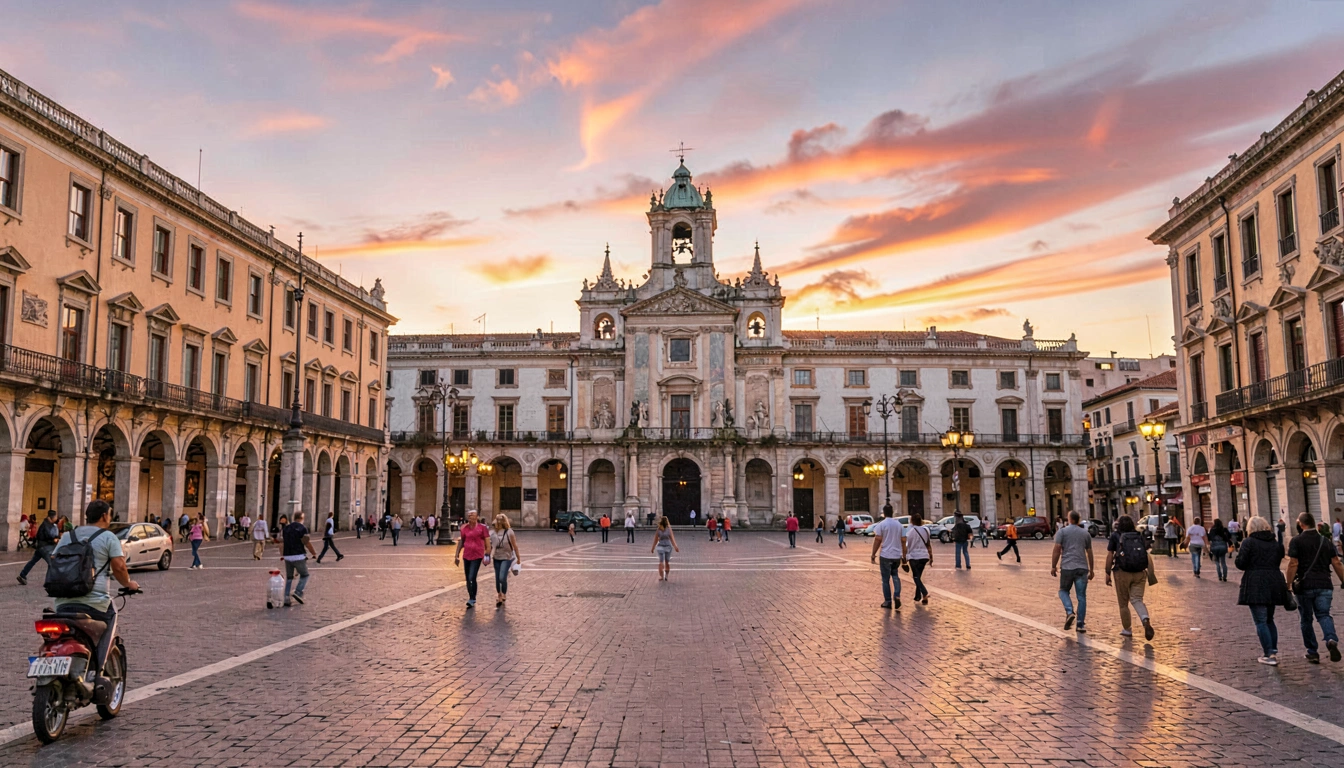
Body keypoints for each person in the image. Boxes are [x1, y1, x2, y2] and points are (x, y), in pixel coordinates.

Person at [51, 501, 140, 673]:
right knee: (110, 617)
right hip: (95, 603)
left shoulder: (68, 536)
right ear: (105, 516)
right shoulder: (109, 537)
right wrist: (129, 584)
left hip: (62, 602)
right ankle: (99, 667)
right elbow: (120, 567)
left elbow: (54, 560)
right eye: (110, 514)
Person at [1285, 512, 1344, 664]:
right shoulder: (1325, 541)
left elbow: (1293, 564)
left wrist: (1288, 584)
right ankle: (1331, 639)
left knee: (1306, 619)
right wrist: (1343, 579)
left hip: (1305, 586)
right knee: (1324, 615)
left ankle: (1312, 652)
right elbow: (1336, 562)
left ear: (1301, 524)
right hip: (1324, 584)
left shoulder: (1297, 541)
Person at [1237, 516, 1288, 665]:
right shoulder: (1274, 543)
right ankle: (1273, 649)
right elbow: (1279, 559)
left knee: (1260, 621)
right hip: (1273, 581)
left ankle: (1269, 653)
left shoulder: (1249, 542)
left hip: (1255, 583)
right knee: (1269, 619)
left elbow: (1241, 563)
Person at [1105, 514, 1155, 641]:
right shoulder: (1139, 535)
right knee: (1137, 599)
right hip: (1139, 572)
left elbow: (1110, 555)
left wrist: (1107, 572)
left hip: (1122, 572)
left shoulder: (1116, 536)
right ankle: (1145, 619)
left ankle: (1127, 629)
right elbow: (1146, 553)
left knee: (1123, 603)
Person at [1052, 511, 1095, 633]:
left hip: (1067, 567)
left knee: (1063, 591)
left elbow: (1057, 549)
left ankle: (1069, 611)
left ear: (1069, 519)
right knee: (1081, 597)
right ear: (1078, 520)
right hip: (1082, 567)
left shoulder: (1063, 532)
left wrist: (1053, 566)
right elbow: (1089, 552)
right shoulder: (1085, 534)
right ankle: (1080, 624)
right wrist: (1091, 569)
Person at [869, 510, 907, 609]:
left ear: (884, 513)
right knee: (895, 576)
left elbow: (878, 539)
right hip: (896, 555)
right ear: (893, 512)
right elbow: (903, 541)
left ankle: (888, 601)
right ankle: (897, 595)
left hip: (885, 555)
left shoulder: (882, 524)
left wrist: (873, 554)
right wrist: (904, 556)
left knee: (885, 580)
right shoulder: (899, 525)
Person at [454, 510, 490, 609]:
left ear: (477, 517)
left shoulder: (482, 528)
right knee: (467, 578)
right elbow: (461, 541)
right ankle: (471, 596)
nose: (471, 517)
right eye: (469, 516)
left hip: (477, 555)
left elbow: (487, 541)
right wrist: (456, 555)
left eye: (473, 515)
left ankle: (472, 598)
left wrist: (487, 554)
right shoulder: (464, 528)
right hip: (467, 555)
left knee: (471, 577)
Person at [281, 512, 318, 606]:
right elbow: (306, 542)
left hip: (287, 555)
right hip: (298, 555)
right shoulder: (302, 528)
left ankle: (286, 598)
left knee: (289, 577)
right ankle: (298, 592)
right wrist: (313, 553)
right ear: (301, 518)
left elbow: (282, 543)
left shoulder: (286, 528)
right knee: (305, 575)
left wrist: (282, 554)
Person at [16, 509, 60, 586]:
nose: (56, 518)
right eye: (55, 517)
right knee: (52, 563)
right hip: (45, 547)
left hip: (41, 547)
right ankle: (50, 581)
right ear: (50, 517)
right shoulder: (46, 525)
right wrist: (55, 539)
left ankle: (23, 574)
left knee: (33, 561)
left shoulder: (48, 524)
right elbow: (49, 536)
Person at [489, 514, 521, 608]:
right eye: (497, 520)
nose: (498, 522)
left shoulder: (509, 532)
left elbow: (515, 546)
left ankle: (504, 593)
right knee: (497, 578)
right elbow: (490, 545)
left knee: (502, 577)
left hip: (507, 557)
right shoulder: (493, 532)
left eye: (500, 520)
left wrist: (518, 558)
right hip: (496, 557)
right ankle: (499, 595)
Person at [905, 511, 932, 605]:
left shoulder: (910, 532)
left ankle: (924, 593)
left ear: (912, 521)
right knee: (918, 576)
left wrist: (904, 558)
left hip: (914, 556)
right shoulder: (926, 530)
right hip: (924, 556)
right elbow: (928, 544)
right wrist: (931, 556)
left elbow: (907, 545)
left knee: (916, 577)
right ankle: (918, 596)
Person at [652, 516, 679, 581]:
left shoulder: (659, 529)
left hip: (660, 546)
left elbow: (655, 540)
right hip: (668, 546)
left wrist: (652, 548)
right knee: (667, 562)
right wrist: (675, 547)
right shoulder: (669, 529)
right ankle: (666, 575)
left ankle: (661, 576)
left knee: (661, 562)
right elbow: (672, 539)